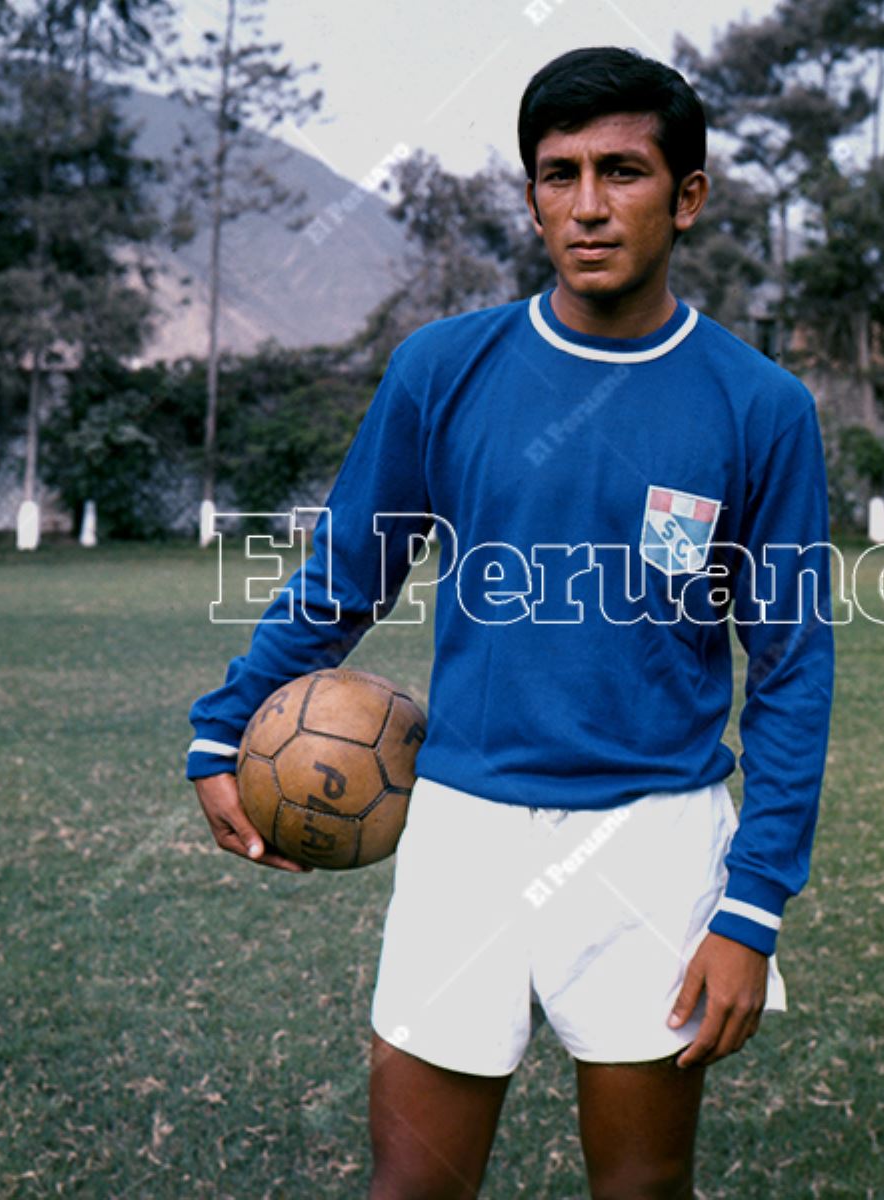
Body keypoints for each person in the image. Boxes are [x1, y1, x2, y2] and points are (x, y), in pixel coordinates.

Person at [185, 46, 835, 1200]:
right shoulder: (445, 369)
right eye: (559, 173)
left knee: (640, 1191)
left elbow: (788, 666)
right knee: (413, 1190)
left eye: (623, 172)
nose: (588, 206)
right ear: (531, 193)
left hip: (653, 835)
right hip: (462, 834)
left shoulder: (759, 407)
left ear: (687, 196)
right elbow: (348, 572)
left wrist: (752, 905)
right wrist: (221, 729)